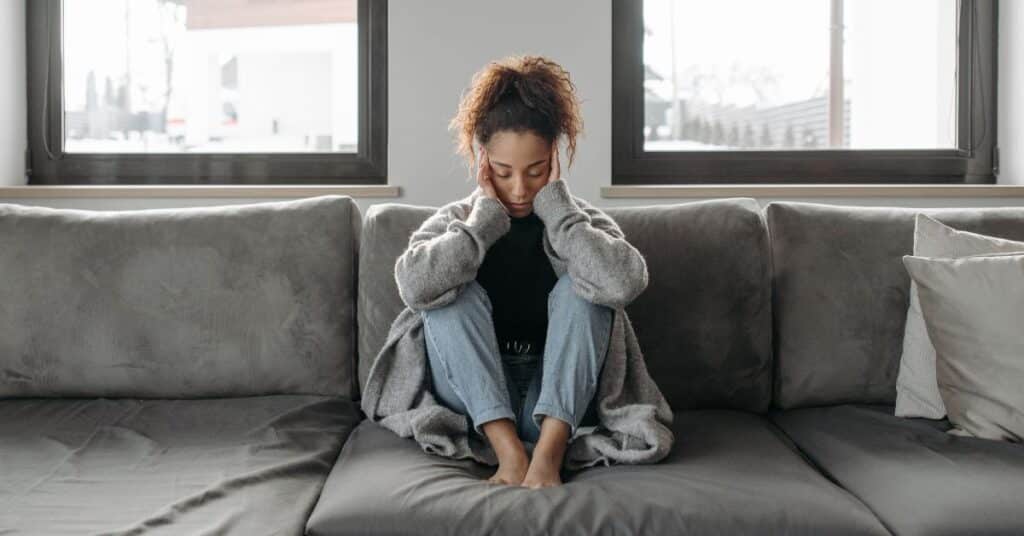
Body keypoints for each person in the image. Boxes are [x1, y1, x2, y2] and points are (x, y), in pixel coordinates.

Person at [398, 55, 628, 488]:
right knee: (450, 296)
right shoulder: (458, 221)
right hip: (476, 398)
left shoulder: (580, 224)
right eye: (503, 173)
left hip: (560, 395)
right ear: (482, 161)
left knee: (585, 289)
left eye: (536, 171)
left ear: (554, 162)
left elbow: (623, 284)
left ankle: (547, 455)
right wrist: (481, 224)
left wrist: (560, 213)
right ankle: (508, 454)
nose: (520, 189)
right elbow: (413, 286)